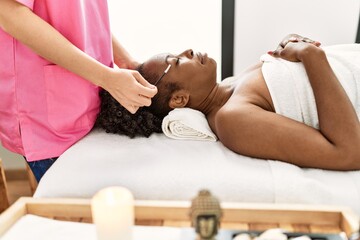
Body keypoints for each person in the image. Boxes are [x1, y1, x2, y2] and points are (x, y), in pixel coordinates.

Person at [96, 33, 360, 171]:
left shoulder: (233, 84)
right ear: (179, 99)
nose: (187, 51)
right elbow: (348, 152)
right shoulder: (232, 120)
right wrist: (312, 56)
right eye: (176, 61)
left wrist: (292, 43)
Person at [0, 0, 158, 182]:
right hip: (48, 113)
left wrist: (125, 61)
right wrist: (106, 77)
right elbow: (10, 13)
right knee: (77, 207)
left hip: (90, 95)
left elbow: (85, 11)